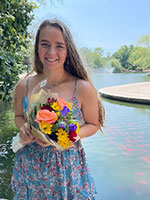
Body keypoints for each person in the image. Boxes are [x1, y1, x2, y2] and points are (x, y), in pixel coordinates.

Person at [11, 19, 105, 200]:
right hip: (30, 169)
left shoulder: (82, 88)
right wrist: (23, 128)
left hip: (66, 171)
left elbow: (93, 124)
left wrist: (69, 134)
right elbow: (18, 116)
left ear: (68, 50)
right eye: (45, 44)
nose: (51, 52)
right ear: (37, 48)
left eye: (59, 46)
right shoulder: (25, 84)